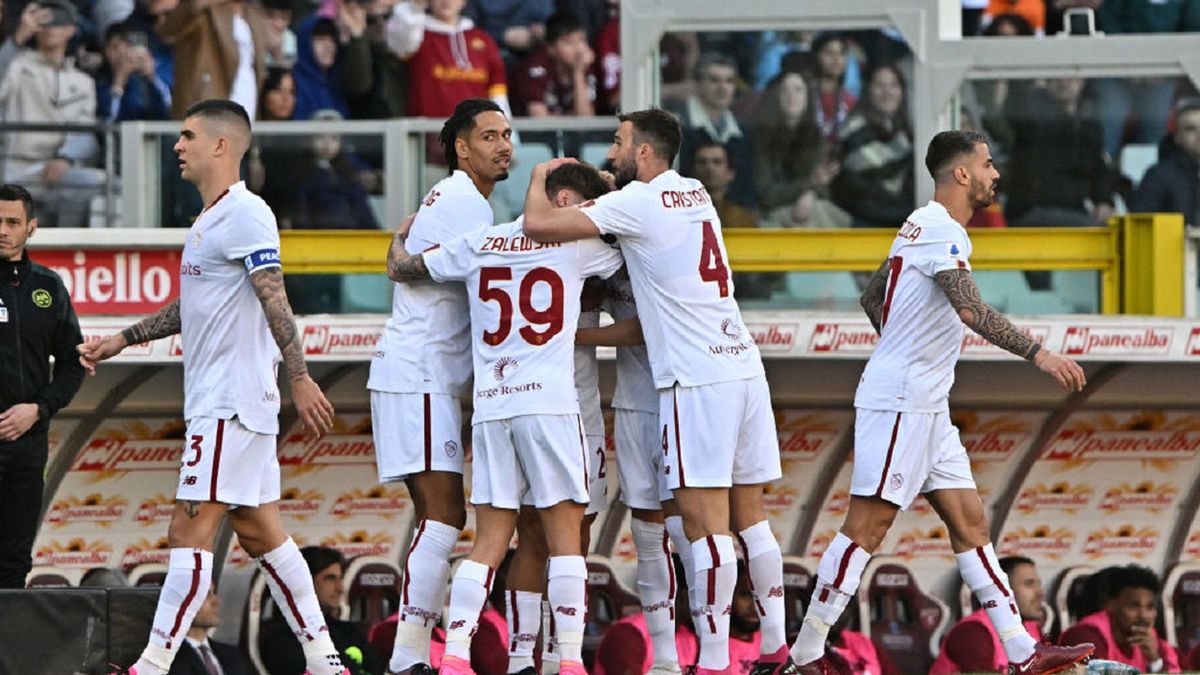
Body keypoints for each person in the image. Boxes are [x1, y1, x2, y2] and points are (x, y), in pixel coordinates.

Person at [777, 129, 1092, 675]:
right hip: (903, 402)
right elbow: (970, 311)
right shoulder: (943, 232)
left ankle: (1022, 651)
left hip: (925, 401)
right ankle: (803, 654)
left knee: (971, 524)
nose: (996, 174)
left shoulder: (918, 226)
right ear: (962, 174)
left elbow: (871, 296)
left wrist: (903, 345)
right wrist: (1040, 354)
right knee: (866, 530)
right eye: (988, 165)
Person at [79, 99, 345, 675]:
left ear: (222, 146)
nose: (178, 145)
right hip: (232, 403)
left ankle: (151, 665)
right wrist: (124, 337)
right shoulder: (209, 220)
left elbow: (274, 294)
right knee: (258, 529)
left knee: (188, 529)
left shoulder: (247, 214)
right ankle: (325, 660)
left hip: (226, 402)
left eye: (188, 135)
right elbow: (197, 306)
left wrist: (299, 374)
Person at [521, 108, 788, 675]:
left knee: (701, 522)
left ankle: (712, 662)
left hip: (693, 380)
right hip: (741, 366)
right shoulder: (693, 191)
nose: (613, 153)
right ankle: (775, 647)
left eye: (619, 143)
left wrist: (540, 174)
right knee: (750, 517)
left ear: (644, 153)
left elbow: (539, 227)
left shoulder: (634, 204)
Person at [386, 160, 625, 675]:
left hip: (494, 408)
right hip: (550, 406)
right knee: (565, 541)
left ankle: (453, 656)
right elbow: (628, 249)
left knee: (489, 542)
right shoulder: (578, 245)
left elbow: (403, 268)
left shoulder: (481, 241)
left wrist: (399, 238)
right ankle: (568, 662)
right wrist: (608, 195)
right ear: (566, 203)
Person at [367, 97, 510, 675]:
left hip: (420, 376)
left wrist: (396, 253)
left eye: (507, 135)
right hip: (419, 374)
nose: (504, 145)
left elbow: (403, 262)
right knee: (446, 516)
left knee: (437, 516)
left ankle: (411, 655)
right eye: (490, 136)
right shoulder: (462, 203)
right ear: (461, 146)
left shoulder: (459, 200)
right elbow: (416, 269)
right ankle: (407, 657)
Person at [0, 183, 85, 589]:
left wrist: (38, 408)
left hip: (26, 447)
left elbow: (73, 364)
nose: (2, 229)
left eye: (12, 222)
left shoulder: (48, 287)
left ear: (30, 227)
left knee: (14, 565)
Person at [0, 1, 107, 228]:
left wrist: (65, 158)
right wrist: (18, 37)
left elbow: (85, 129)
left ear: (71, 29)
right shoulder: (17, 65)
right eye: (42, 21)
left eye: (57, 22)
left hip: (57, 170)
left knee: (102, 183)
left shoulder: (82, 81)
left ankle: (71, 248)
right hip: (15, 168)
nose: (49, 28)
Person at [261, 546, 385, 675]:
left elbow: (378, 669)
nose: (340, 588)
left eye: (340, 578)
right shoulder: (280, 638)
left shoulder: (348, 631)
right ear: (304, 583)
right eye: (330, 578)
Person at [751, 70, 847, 229]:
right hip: (770, 214)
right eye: (785, 90)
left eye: (798, 90)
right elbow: (766, 194)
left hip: (811, 210)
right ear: (775, 97)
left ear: (807, 97)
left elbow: (825, 188)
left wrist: (810, 193)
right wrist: (809, 185)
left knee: (824, 212)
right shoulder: (760, 139)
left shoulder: (817, 139)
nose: (791, 96)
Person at [830, 64, 915, 229]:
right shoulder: (853, 130)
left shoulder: (908, 135)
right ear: (868, 90)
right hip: (863, 225)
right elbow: (856, 190)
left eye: (893, 85)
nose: (887, 92)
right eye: (880, 85)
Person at [930, 556, 1046, 674]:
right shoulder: (974, 631)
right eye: (1029, 584)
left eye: (1038, 584)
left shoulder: (1033, 628)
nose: (1041, 592)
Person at [1060, 565, 1181, 673]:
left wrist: (1154, 661)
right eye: (1134, 606)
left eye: (1150, 607)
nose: (1143, 615)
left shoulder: (1151, 640)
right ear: (1110, 605)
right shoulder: (1084, 636)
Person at [156, 0, 266, 119]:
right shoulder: (204, 12)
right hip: (208, 112)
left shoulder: (254, 16)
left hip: (247, 110)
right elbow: (169, 31)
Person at [671, 53, 755, 207]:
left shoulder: (742, 130)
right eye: (714, 80)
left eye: (729, 81)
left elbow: (746, 184)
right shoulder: (676, 126)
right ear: (698, 84)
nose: (722, 88)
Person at [1129, 99, 1200, 226]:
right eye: (1191, 129)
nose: (1199, 135)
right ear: (1177, 137)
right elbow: (1140, 227)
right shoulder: (1157, 176)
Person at [511, 11, 596, 117]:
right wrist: (572, 118)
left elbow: (586, 120)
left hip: (567, 132)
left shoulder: (584, 65)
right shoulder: (535, 67)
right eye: (568, 42)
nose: (578, 49)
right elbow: (540, 121)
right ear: (551, 48)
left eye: (581, 40)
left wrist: (578, 73)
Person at [95, 21, 173, 122]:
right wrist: (119, 82)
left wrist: (152, 77)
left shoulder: (148, 82)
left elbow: (168, 111)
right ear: (105, 51)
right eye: (114, 47)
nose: (121, 53)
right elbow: (107, 121)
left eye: (127, 46)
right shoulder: (100, 84)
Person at [168, 584, 253, 675]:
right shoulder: (164, 658)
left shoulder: (234, 655)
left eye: (214, 593)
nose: (217, 601)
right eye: (205, 595)